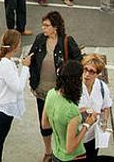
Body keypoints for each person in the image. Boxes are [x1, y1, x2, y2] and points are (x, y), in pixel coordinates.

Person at [28, 11, 83, 161]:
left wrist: (67, 70)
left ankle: (62, 149)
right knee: (44, 123)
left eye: (46, 25)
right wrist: (28, 64)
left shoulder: (66, 41)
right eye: (43, 25)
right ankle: (48, 151)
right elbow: (31, 57)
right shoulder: (40, 39)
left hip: (60, 93)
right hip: (41, 90)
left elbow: (79, 61)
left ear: (56, 27)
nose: (43, 28)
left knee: (61, 123)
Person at [0, 29, 31, 162]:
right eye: (19, 43)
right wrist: (25, 67)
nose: (20, 45)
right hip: (3, 108)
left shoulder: (0, 54)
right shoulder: (5, 64)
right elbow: (18, 87)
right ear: (14, 46)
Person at [42, 60, 97, 162]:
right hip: (73, 157)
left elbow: (45, 124)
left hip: (56, 153)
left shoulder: (51, 94)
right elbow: (70, 148)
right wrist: (87, 125)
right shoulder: (72, 111)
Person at [79, 54, 113, 159]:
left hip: (92, 137)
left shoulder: (102, 87)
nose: (87, 74)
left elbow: (106, 107)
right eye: (85, 69)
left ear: (98, 74)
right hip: (76, 137)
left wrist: (104, 122)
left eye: (92, 71)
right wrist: (83, 111)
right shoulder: (74, 86)